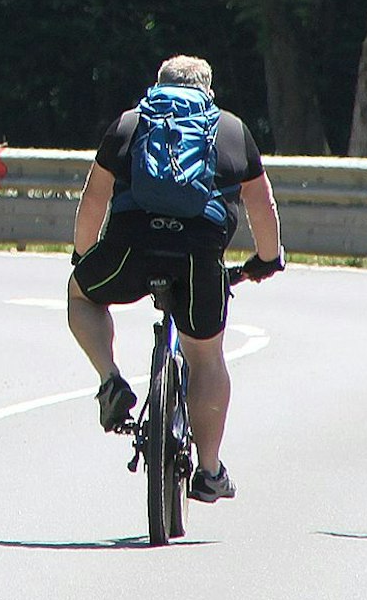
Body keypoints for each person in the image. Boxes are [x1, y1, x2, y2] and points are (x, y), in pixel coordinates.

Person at [68, 55, 284, 504]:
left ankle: (110, 380)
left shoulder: (130, 124)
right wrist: (266, 259)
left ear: (158, 85)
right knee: (205, 357)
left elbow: (93, 200)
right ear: (209, 91)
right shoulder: (231, 130)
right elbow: (261, 206)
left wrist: (84, 256)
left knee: (81, 295)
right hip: (198, 258)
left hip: (131, 250)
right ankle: (209, 471)